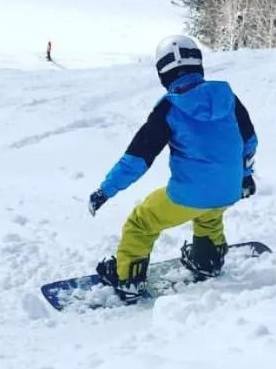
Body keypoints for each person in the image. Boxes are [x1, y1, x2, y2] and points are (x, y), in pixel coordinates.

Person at [87, 35, 257, 300]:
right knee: (209, 214)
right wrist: (246, 177)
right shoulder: (228, 98)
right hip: (229, 189)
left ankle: (127, 278)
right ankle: (207, 259)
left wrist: (105, 190)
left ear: (163, 73)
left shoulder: (169, 109)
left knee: (141, 221)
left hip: (190, 193)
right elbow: (249, 141)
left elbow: (138, 157)